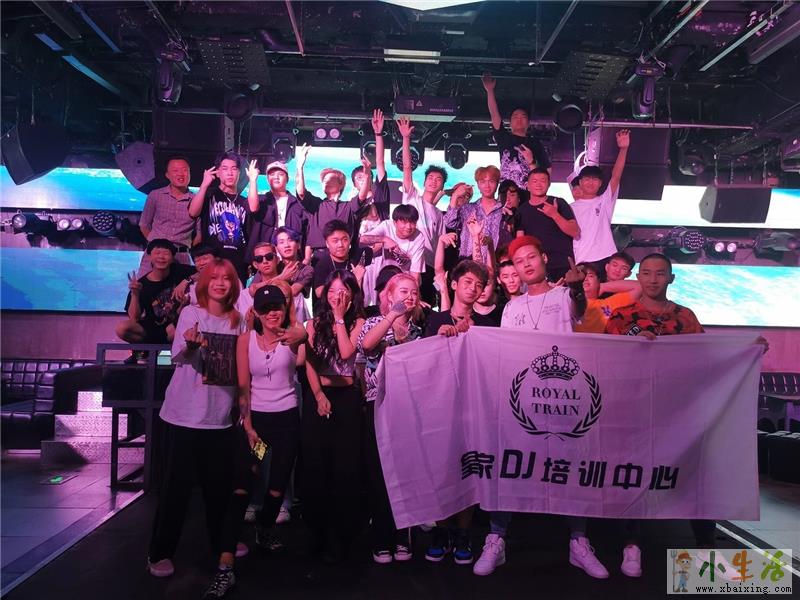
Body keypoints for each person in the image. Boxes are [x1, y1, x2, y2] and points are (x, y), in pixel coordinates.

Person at [474, 236, 607, 580]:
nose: (526, 264)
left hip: (565, 402)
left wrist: (576, 288)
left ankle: (579, 542)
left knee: (572, 469)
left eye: (531, 257)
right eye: (519, 262)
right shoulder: (512, 308)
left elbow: (579, 310)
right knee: (508, 466)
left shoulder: (564, 295)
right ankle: (496, 538)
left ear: (544, 258)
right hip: (524, 401)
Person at [147, 258, 247, 599]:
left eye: (226, 278)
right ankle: (159, 552)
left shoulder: (239, 320)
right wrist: (190, 344)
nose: (220, 283)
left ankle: (222, 546)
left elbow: (241, 367)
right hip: (183, 416)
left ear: (234, 285)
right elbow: (178, 356)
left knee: (219, 489)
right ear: (204, 282)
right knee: (174, 489)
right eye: (214, 277)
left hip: (220, 418)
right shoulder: (191, 313)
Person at [603, 253, 702, 578]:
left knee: (693, 475)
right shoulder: (622, 317)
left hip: (676, 412)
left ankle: (705, 551)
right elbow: (605, 361)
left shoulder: (685, 317)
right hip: (633, 412)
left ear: (671, 278)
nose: (653, 279)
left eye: (660, 273)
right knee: (634, 476)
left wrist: (746, 349)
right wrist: (633, 346)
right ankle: (631, 545)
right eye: (646, 273)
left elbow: (707, 355)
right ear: (638, 277)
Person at [358, 273, 425, 563]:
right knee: (379, 472)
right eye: (403, 291)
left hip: (407, 407)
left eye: (414, 292)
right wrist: (391, 318)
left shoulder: (418, 330)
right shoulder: (374, 322)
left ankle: (402, 537)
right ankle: (381, 538)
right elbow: (366, 345)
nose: (409, 297)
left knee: (404, 472)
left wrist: (403, 337)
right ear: (389, 294)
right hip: (378, 404)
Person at [301, 270, 366, 563]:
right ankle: (317, 533)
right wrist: (318, 395)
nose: (336, 297)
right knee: (316, 466)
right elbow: (310, 364)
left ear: (352, 295)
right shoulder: (313, 324)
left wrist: (340, 318)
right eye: (332, 292)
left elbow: (346, 352)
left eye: (342, 292)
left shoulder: (359, 322)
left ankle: (344, 537)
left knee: (345, 468)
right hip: (319, 397)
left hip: (347, 399)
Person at [236, 283, 305, 551]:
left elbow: (303, 337)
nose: (272, 313)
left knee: (278, 482)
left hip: (286, 421)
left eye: (276, 307)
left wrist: (299, 331)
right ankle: (231, 537)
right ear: (256, 312)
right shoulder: (246, 341)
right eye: (265, 309)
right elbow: (243, 387)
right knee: (249, 473)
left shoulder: (293, 337)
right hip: (258, 423)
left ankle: (264, 527)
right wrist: (248, 427)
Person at [396, 117, 447, 304]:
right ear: (424, 181)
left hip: (429, 268)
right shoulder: (412, 198)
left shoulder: (439, 215)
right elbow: (407, 168)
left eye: (438, 179)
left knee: (425, 309)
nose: (434, 181)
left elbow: (440, 244)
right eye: (431, 177)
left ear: (442, 185)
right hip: (408, 263)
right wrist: (406, 138)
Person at [116, 239, 194, 361]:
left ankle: (148, 353)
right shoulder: (141, 284)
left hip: (174, 328)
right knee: (122, 328)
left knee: (187, 324)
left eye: (166, 253)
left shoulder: (179, 271)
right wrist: (135, 294)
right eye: (157, 253)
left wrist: (186, 281)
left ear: (172, 257)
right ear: (150, 257)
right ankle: (145, 352)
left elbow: (203, 273)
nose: (161, 257)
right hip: (151, 329)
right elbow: (134, 318)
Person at [296, 144, 367, 259]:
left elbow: (362, 196)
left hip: (344, 256)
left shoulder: (348, 206)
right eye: (324, 180)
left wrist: (367, 174)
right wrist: (300, 167)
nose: (326, 181)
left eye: (330, 179)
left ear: (341, 184)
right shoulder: (317, 204)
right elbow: (301, 192)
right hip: (319, 256)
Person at [570, 130, 630, 265]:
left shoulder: (605, 201)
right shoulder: (569, 208)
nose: (590, 183)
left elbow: (616, 176)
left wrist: (623, 149)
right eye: (587, 179)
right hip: (580, 260)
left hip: (604, 258)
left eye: (595, 179)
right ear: (580, 182)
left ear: (600, 183)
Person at [189, 152, 251, 284]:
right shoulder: (209, 194)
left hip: (238, 264)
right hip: (213, 261)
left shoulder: (244, 202)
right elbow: (193, 212)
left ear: (239, 173)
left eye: (234, 169)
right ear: (217, 172)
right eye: (225, 169)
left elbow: (247, 234)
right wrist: (204, 185)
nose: (230, 173)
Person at [481, 73, 551, 187]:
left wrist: (531, 162)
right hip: (506, 193)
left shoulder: (535, 143)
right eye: (515, 117)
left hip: (527, 194)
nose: (519, 119)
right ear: (510, 122)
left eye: (523, 117)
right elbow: (494, 113)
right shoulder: (504, 137)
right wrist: (490, 91)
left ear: (528, 123)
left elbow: (547, 175)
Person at [514, 168, 579, 282]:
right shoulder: (521, 211)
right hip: (537, 268)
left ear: (549, 184)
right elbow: (521, 242)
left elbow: (575, 231)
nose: (538, 184)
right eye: (534, 181)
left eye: (543, 180)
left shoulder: (559, 203)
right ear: (527, 185)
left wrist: (555, 215)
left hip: (563, 265)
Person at [137, 156, 196, 275]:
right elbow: (144, 224)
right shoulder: (155, 195)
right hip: (155, 255)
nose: (181, 174)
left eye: (185, 170)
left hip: (181, 256)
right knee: (144, 286)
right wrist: (156, 246)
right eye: (175, 170)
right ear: (167, 175)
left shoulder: (196, 200)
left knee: (181, 287)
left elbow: (199, 234)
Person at [358, 204, 426, 306]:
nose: (408, 227)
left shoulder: (419, 237)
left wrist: (415, 297)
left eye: (412, 222)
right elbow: (362, 239)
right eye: (404, 222)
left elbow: (415, 274)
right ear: (395, 222)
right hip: (383, 275)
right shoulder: (387, 226)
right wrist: (384, 239)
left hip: (404, 278)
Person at [245, 159, 307, 261]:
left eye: (280, 174)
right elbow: (253, 207)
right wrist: (252, 180)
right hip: (265, 259)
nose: (276, 177)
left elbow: (307, 232)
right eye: (272, 174)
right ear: (267, 179)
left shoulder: (297, 204)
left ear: (287, 179)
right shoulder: (262, 200)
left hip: (291, 258)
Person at [445, 166, 504, 263]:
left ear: (497, 183)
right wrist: (455, 195)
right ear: (478, 184)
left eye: (491, 181)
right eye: (483, 181)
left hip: (494, 264)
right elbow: (449, 222)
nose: (487, 185)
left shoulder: (502, 211)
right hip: (468, 264)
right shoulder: (468, 209)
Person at [311, 220, 369, 310]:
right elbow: (319, 293)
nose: (340, 245)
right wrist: (355, 281)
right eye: (335, 241)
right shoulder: (322, 264)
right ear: (327, 243)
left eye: (345, 240)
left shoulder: (357, 259)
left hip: (354, 309)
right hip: (328, 311)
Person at [355, 109, 392, 240]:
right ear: (354, 185)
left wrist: (378, 133)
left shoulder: (380, 194)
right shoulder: (354, 204)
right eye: (359, 177)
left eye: (366, 175)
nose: (363, 179)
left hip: (382, 249)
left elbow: (380, 162)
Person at [574, 262, 641, 333]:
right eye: (579, 275)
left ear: (598, 282)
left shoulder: (606, 305)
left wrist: (603, 287)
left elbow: (639, 287)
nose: (585, 279)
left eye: (590, 276)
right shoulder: (567, 300)